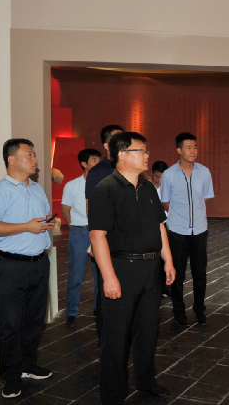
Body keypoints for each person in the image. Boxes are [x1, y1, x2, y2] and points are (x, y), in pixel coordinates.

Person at [89, 132, 175, 404]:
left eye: (146, 150)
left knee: (148, 330)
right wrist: (108, 277)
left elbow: (159, 226)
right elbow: (97, 236)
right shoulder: (105, 189)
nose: (147, 155)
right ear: (122, 155)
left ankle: (146, 380)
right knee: (116, 335)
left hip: (151, 269)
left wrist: (168, 260)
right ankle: (113, 393)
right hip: (121, 268)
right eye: (141, 150)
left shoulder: (148, 188)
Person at [0, 138, 55, 399]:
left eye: (34, 155)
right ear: (12, 159)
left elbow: (41, 220)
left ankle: (27, 364)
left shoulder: (36, 188)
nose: (35, 159)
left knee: (34, 321)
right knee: (11, 325)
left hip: (39, 263)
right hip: (10, 266)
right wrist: (27, 226)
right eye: (29, 155)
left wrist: (47, 224)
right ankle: (11, 376)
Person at [160, 132, 214, 327]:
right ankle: (179, 312)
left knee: (200, 274)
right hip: (176, 231)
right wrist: (181, 215)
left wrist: (194, 214)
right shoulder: (169, 174)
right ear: (179, 150)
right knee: (177, 275)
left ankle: (199, 310)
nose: (193, 151)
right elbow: (165, 201)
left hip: (199, 230)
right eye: (189, 147)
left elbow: (204, 198)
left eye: (195, 147)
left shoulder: (204, 172)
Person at [85, 124, 123, 339]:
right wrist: (95, 242)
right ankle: (105, 338)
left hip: (129, 243)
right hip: (106, 241)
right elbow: (91, 210)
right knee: (105, 290)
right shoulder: (98, 172)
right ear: (107, 145)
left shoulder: (130, 169)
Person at [61, 148, 102, 328]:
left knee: (100, 274)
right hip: (80, 232)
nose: (98, 163)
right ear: (84, 164)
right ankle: (71, 312)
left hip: (99, 233)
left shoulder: (104, 184)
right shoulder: (72, 185)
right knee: (75, 275)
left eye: (99, 160)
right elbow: (65, 211)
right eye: (94, 160)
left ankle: (99, 309)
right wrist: (75, 228)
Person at [151, 160, 171, 298]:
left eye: (162, 178)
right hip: (152, 226)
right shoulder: (145, 187)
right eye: (157, 177)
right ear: (152, 173)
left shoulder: (169, 187)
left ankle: (166, 287)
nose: (159, 180)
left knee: (167, 257)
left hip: (167, 225)